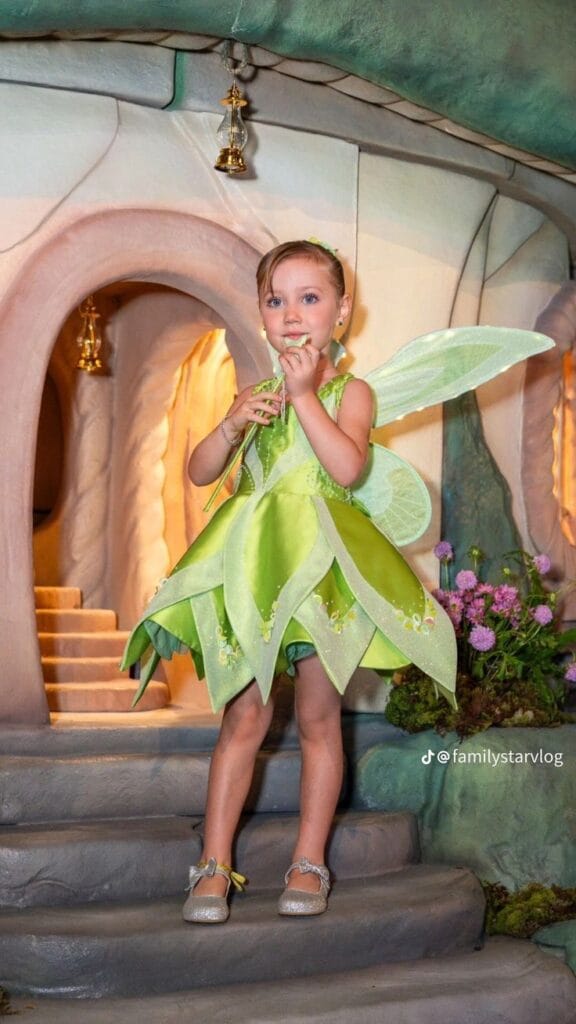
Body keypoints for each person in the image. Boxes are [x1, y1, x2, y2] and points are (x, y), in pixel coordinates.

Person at [121, 239, 457, 924]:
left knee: (317, 717)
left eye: (310, 298)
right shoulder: (255, 394)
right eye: (277, 300)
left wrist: (305, 397)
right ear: (262, 313)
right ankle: (213, 863)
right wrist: (230, 424)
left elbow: (346, 469)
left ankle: (308, 859)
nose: (293, 314)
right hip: (254, 570)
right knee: (244, 714)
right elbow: (201, 472)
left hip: (320, 574)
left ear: (342, 312)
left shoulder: (350, 393)